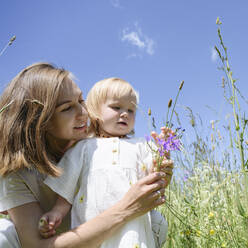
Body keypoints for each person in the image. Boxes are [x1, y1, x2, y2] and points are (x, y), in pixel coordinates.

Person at [0, 63, 173, 248]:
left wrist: (159, 171)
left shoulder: (99, 143)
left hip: (118, 235)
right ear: (40, 120)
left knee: (157, 221)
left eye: (81, 101)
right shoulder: (16, 176)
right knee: (3, 233)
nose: (84, 112)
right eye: (67, 108)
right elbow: (35, 246)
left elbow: (143, 175)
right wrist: (126, 208)